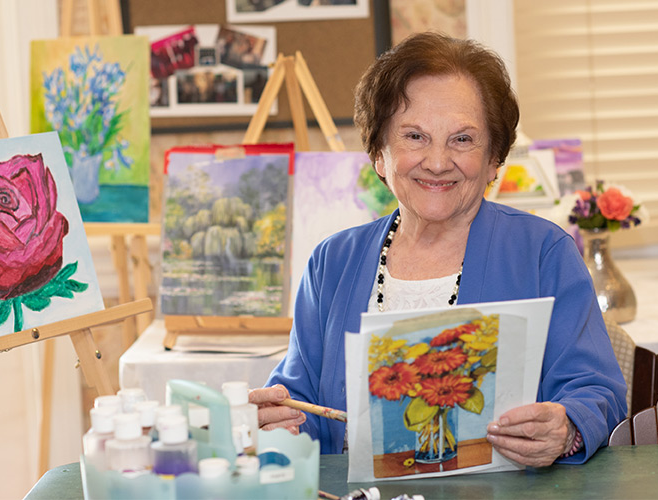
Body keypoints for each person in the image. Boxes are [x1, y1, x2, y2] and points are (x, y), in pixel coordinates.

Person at [249, 31, 627, 466]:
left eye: (462, 139)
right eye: (415, 136)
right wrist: (281, 419)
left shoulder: (543, 252)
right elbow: (300, 405)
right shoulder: (331, 263)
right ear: (379, 152)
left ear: (493, 160)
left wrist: (567, 429)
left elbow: (597, 392)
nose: (437, 161)